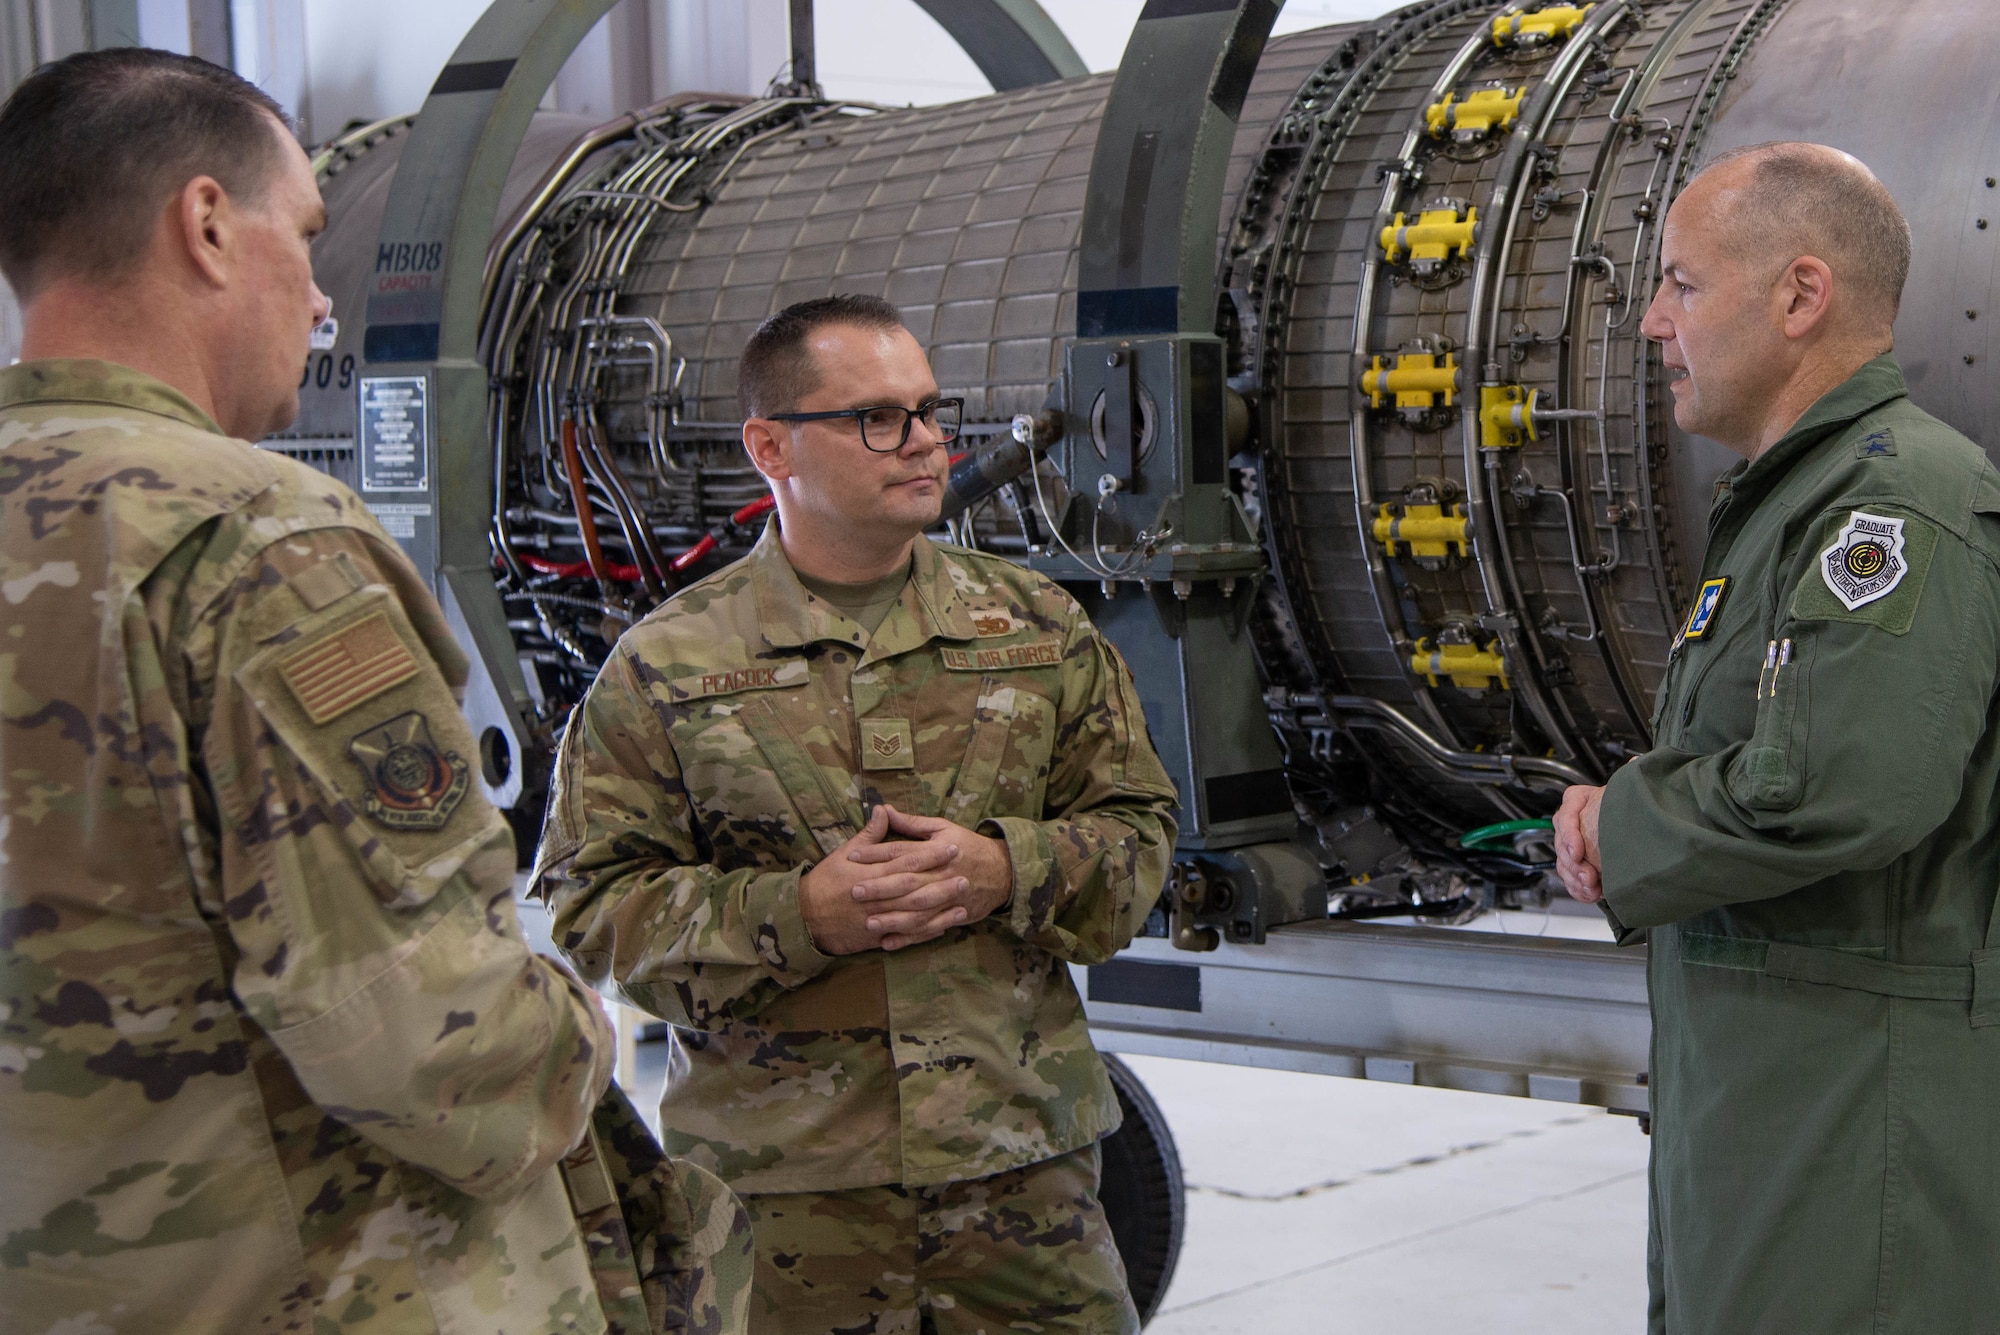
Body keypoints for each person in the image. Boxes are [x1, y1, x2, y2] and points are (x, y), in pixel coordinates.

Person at [0, 49, 749, 1334]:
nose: (320, 300)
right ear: (207, 225)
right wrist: (587, 1024)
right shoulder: (255, 543)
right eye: (305, 237)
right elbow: (428, 1044)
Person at [534, 293, 1182, 1333]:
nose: (924, 441)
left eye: (930, 410)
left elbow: (1140, 841)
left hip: (1020, 1182)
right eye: (878, 417)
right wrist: (798, 915)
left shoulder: (1034, 628)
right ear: (769, 446)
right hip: (780, 1198)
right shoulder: (668, 664)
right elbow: (591, 911)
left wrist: (1002, 870)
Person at [1553, 141, 2000, 1332]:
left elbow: (1836, 787)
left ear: (1799, 296)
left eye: (1682, 286)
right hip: (1775, 1104)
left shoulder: (1888, 505)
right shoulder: (1793, 502)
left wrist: (1622, 819)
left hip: (1854, 1126)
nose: (1652, 323)